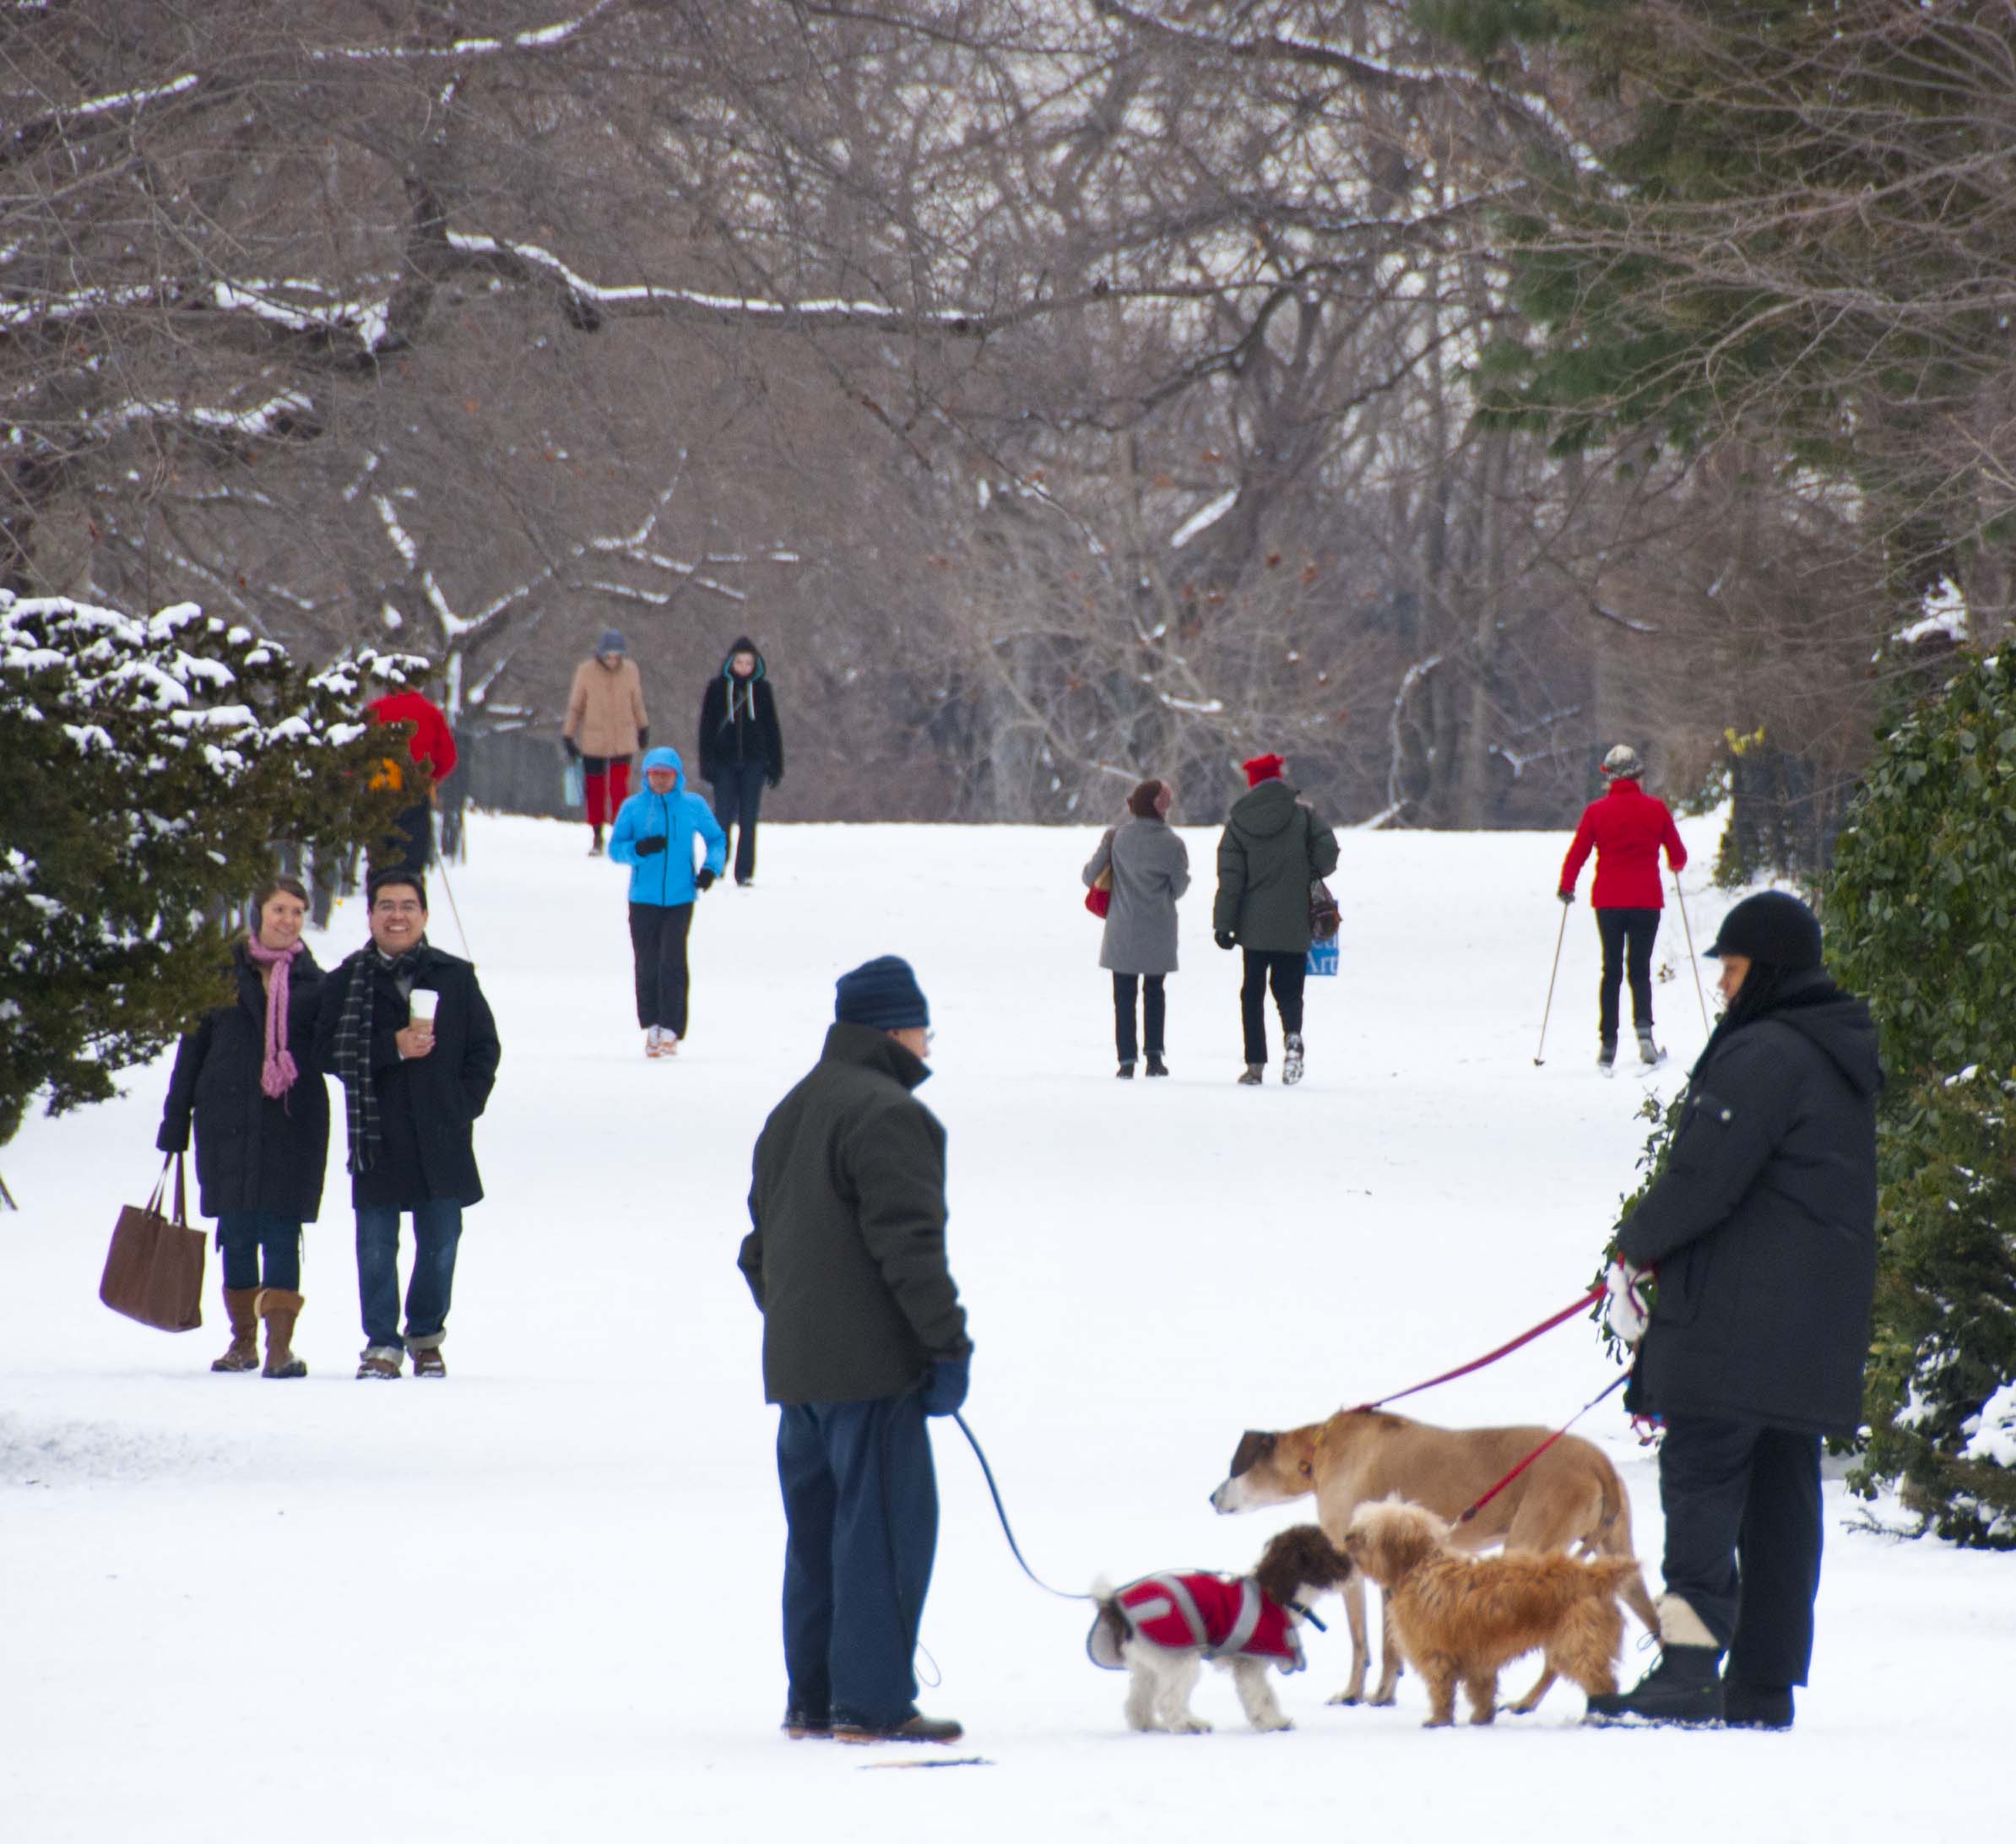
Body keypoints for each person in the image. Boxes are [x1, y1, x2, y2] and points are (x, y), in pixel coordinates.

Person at [1586, 891, 1879, 1731]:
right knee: (1783, 1501)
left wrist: (1633, 1248)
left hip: (1733, 1322)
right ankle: (1763, 1682)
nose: (1722, 984)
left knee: (1702, 1487)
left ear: (1770, 970)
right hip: (1809, 1326)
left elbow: (1703, 1179)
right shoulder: (1835, 1053)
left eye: (1734, 967)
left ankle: (1686, 1667)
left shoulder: (1765, 1052)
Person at [737, 955, 973, 1745]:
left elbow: (758, 1249)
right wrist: (945, 1348)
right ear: (896, 1030)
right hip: (871, 1373)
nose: (928, 1048)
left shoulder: (792, 1110)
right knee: (885, 1534)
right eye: (924, 1031)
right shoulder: (889, 1114)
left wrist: (798, 1322)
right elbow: (910, 1248)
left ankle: (814, 1699)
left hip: (797, 1372)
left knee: (817, 1537)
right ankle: (870, 1704)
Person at [314, 866, 501, 1380]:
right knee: (376, 1246)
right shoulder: (348, 979)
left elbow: (484, 1048)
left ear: (425, 915)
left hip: (442, 1133)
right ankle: (381, 1344)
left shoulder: (454, 976)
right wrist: (390, 1048)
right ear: (370, 915)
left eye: (407, 907)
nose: (397, 916)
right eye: (387, 906)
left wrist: (462, 1104)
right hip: (377, 1132)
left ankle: (425, 1337)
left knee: (441, 1242)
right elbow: (324, 1051)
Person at [155, 876, 327, 1379]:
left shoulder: (315, 983)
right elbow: (192, 1050)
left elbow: (331, 1049)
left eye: (297, 911)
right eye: (279, 909)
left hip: (291, 1122)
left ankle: (279, 1347)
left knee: (282, 1229)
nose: (288, 920)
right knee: (236, 1230)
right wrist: (175, 1121)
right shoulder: (220, 975)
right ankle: (243, 1341)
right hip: (226, 1120)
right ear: (258, 914)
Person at [1558, 744, 1688, 1071]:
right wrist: (1673, 863)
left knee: (1611, 970)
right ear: (1638, 777)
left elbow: (1578, 853)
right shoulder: (1656, 809)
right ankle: (1644, 1035)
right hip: (1646, 900)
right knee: (1640, 969)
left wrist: (1567, 886)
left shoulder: (1596, 812)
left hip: (1609, 901)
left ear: (1610, 779)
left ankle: (1608, 1044)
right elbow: (1678, 856)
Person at [1211, 752, 1339, 1086]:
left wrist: (1223, 924)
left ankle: (1255, 1065)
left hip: (1253, 926)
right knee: (1289, 991)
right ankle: (1293, 1037)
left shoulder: (1239, 822)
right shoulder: (1304, 817)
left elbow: (1231, 878)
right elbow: (1329, 853)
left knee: (1252, 994)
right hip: (1295, 920)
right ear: (1279, 780)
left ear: (1252, 783)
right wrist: (1308, 870)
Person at [606, 745, 727, 1059]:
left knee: (672, 960)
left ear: (677, 776)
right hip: (642, 898)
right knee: (646, 962)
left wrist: (710, 869)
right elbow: (615, 849)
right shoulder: (633, 808)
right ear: (646, 776)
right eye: (655, 774)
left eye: (666, 774)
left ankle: (671, 1028)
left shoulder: (692, 806)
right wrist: (639, 849)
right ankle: (652, 1025)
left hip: (680, 897)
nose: (660, 780)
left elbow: (717, 839)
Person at [1083, 778, 1190, 1077]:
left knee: (1124, 995)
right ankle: (1154, 1058)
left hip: (1122, 929)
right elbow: (1179, 888)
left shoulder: (1117, 838)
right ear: (1160, 808)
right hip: (1159, 929)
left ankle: (1126, 1061)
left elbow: (1089, 876)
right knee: (1155, 992)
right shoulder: (1173, 844)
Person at [697, 637, 784, 887]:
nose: (744, 667)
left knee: (749, 819)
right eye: (739, 662)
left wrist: (776, 764)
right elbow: (706, 728)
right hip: (723, 762)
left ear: (756, 665)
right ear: (730, 662)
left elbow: (772, 728)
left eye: (749, 663)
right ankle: (717, 865)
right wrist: (706, 762)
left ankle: (744, 871)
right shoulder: (717, 688)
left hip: (755, 762)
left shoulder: (762, 689)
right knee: (722, 817)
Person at [562, 628, 650, 857]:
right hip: (594, 739)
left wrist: (643, 726)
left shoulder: (630, 671)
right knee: (595, 789)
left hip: (623, 738)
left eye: (616, 656)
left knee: (619, 788)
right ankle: (597, 834)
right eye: (608, 655)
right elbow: (576, 706)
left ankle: (620, 833)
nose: (612, 660)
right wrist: (568, 735)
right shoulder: (586, 672)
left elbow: (637, 702)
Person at [364, 681, 458, 876]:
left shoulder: (374, 710)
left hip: (380, 789)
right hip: (416, 790)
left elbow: (355, 753)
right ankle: (409, 889)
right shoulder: (430, 711)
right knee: (411, 859)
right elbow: (448, 757)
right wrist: (431, 780)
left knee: (380, 859)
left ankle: (381, 888)